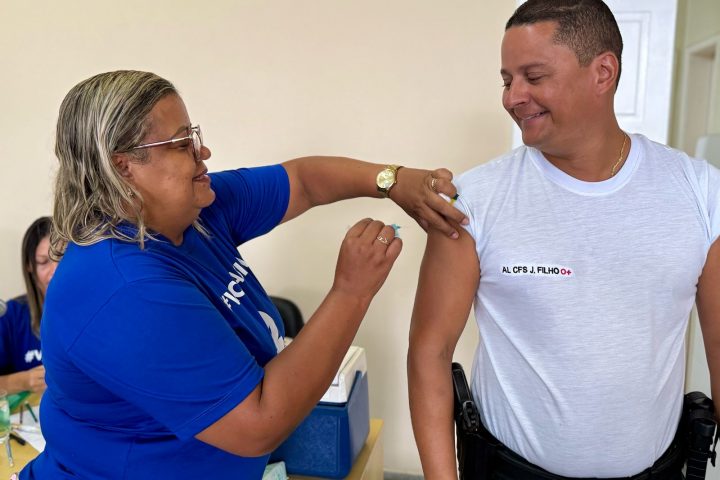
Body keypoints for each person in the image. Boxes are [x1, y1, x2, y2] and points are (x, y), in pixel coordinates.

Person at [20, 70, 466, 480]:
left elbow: (303, 181)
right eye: (181, 143)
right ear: (123, 167)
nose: (203, 152)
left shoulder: (194, 211)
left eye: (194, 135)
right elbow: (258, 423)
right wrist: (351, 292)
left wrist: (392, 180)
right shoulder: (124, 288)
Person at [408, 1, 720, 479]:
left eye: (533, 76)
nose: (513, 97)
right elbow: (429, 353)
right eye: (507, 80)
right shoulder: (473, 200)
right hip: (506, 471)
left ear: (603, 73)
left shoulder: (700, 192)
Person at [0, 217, 56, 395]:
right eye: (44, 262)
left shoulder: (94, 311)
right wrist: (24, 381)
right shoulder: (10, 315)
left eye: (62, 259)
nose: (55, 271)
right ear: (29, 266)